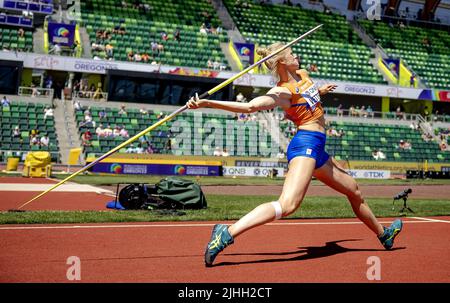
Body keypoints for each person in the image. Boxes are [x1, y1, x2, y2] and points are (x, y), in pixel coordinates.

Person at [186, 42, 403, 267]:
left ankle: (383, 234)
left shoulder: (302, 75)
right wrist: (207, 103)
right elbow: (250, 106)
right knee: (288, 204)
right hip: (305, 144)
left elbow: (305, 97)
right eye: (291, 53)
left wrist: (319, 92)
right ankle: (226, 233)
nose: (296, 55)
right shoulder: (281, 92)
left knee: (353, 190)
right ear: (281, 62)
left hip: (318, 147)